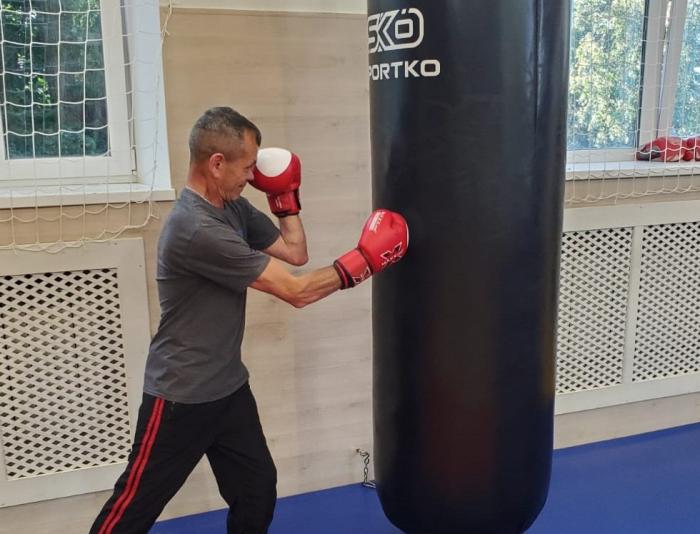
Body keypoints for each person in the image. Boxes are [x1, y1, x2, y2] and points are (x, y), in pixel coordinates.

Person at [89, 106, 408, 534]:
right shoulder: (195, 229)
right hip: (182, 395)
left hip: (228, 388)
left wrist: (285, 199)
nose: (253, 177)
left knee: (256, 490)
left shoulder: (233, 209)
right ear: (216, 164)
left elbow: (296, 253)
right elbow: (296, 291)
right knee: (132, 509)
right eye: (247, 167)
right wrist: (364, 261)